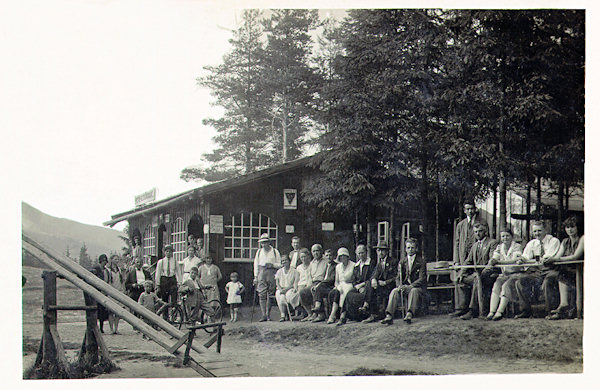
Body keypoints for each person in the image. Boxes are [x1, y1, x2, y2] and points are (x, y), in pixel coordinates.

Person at [514, 221, 561, 318]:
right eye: (535, 231)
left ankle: (550, 311)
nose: (537, 233)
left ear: (545, 230)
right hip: (537, 272)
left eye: (539, 231)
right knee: (520, 281)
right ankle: (526, 311)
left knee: (548, 281)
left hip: (550, 270)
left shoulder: (553, 241)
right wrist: (521, 259)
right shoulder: (532, 243)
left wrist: (531, 261)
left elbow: (547, 258)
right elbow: (525, 256)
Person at [453, 222, 499, 320]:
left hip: (489, 275)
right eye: (475, 232)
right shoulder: (475, 246)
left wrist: (481, 273)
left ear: (485, 231)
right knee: (460, 279)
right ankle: (461, 309)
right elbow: (468, 261)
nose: (478, 234)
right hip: (477, 275)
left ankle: (473, 311)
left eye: (480, 231)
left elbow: (492, 261)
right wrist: (462, 273)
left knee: (477, 279)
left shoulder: (492, 243)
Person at [545, 216, 584, 320]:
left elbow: (575, 256)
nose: (570, 230)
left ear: (577, 227)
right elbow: (558, 255)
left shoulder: (583, 239)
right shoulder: (565, 241)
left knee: (562, 273)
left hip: (581, 271)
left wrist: (558, 259)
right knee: (554, 276)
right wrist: (551, 258)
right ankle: (562, 305)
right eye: (567, 227)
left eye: (572, 227)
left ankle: (566, 306)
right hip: (568, 270)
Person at [381, 238, 427, 325]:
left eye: (412, 248)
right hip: (405, 287)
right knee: (394, 291)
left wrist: (410, 286)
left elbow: (422, 278)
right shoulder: (402, 261)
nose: (410, 250)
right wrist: (399, 286)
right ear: (405, 249)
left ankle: (409, 314)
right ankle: (389, 315)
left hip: (417, 288)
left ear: (416, 249)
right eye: (408, 248)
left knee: (414, 290)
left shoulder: (421, 261)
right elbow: (398, 277)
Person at [485, 228, 523, 321]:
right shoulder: (499, 247)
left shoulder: (517, 246)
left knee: (506, 286)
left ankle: (500, 312)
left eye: (507, 236)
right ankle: (492, 311)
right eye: (503, 236)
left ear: (511, 237)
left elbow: (514, 261)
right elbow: (495, 258)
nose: (505, 238)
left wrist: (499, 261)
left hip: (516, 274)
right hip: (505, 274)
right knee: (496, 285)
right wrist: (493, 260)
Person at [360, 242, 398, 323]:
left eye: (383, 250)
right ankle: (371, 311)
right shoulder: (379, 264)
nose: (380, 253)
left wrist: (385, 282)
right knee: (370, 283)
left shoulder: (393, 261)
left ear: (387, 251)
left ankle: (368, 308)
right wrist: (374, 279)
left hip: (390, 286)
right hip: (381, 287)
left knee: (372, 287)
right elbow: (374, 274)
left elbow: (397, 277)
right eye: (379, 250)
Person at [342, 244, 377, 323]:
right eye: (359, 253)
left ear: (366, 252)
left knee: (369, 285)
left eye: (363, 253)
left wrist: (362, 285)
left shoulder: (371, 263)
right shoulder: (356, 266)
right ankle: (345, 315)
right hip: (359, 288)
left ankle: (366, 308)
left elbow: (372, 276)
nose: (361, 255)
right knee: (349, 293)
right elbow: (353, 279)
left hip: (368, 287)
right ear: (356, 254)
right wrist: (357, 286)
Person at [253, 233, 282, 322]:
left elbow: (280, 264)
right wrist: (255, 276)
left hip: (271, 272)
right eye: (262, 243)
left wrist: (272, 264)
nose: (264, 244)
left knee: (270, 294)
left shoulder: (275, 251)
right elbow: (256, 264)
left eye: (265, 242)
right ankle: (263, 315)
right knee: (262, 294)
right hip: (261, 273)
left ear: (269, 242)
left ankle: (268, 314)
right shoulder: (259, 252)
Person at [299, 244, 329, 322]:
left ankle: (320, 314)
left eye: (317, 251)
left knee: (317, 289)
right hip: (313, 283)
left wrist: (321, 283)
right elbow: (310, 276)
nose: (316, 253)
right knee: (303, 292)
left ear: (321, 251)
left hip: (323, 283)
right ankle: (310, 313)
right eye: (314, 251)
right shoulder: (312, 263)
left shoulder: (326, 262)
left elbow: (327, 275)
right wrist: (309, 285)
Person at [327, 248, 355, 325]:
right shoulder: (338, 267)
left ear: (347, 256)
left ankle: (343, 315)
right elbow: (336, 281)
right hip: (340, 285)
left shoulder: (353, 265)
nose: (342, 258)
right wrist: (338, 287)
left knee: (345, 292)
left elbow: (354, 280)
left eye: (344, 256)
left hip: (349, 285)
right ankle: (333, 315)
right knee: (337, 292)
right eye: (340, 256)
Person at [154, 245, 178, 318]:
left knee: (174, 298)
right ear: (164, 252)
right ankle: (165, 317)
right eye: (167, 251)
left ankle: (173, 316)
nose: (168, 253)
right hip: (164, 280)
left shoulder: (174, 261)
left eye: (170, 251)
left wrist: (179, 282)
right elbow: (158, 273)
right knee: (164, 299)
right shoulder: (161, 262)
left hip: (172, 279)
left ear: (172, 253)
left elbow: (178, 272)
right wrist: (157, 284)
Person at [274, 255, 300, 321]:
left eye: (285, 260)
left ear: (289, 261)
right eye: (282, 261)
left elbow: (294, 283)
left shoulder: (294, 271)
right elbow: (277, 282)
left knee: (288, 295)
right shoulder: (279, 271)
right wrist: (280, 289)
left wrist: (286, 289)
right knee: (279, 294)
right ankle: (283, 315)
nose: (284, 262)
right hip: (281, 289)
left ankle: (290, 313)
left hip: (290, 288)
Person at [91, 254, 110, 333]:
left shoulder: (106, 271)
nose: (104, 263)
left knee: (102, 311)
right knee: (95, 310)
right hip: (96, 292)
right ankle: (94, 326)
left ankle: (101, 327)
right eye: (103, 261)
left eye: (105, 261)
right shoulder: (95, 269)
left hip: (103, 292)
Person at [292, 248, 312, 320]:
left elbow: (311, 278)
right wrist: (295, 287)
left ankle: (308, 313)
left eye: (304, 256)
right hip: (300, 285)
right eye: (301, 257)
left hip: (309, 284)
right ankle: (302, 313)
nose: (303, 259)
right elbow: (296, 279)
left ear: (308, 256)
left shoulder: (312, 265)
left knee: (302, 293)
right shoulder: (299, 268)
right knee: (293, 296)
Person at [107, 255, 126, 334]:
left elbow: (122, 281)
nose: (117, 261)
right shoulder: (108, 270)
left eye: (118, 259)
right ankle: (111, 329)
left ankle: (116, 328)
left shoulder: (119, 270)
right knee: (111, 311)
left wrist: (122, 290)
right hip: (111, 292)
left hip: (119, 291)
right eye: (115, 259)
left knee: (118, 312)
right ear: (111, 260)